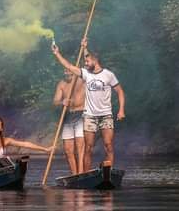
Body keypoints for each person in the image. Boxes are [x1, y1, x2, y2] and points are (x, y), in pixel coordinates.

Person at [51, 37, 125, 171]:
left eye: (87, 61)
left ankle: (109, 170)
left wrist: (121, 110)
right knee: (88, 147)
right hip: (89, 116)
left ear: (95, 61)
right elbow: (68, 66)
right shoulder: (86, 74)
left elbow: (120, 92)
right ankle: (85, 174)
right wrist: (57, 53)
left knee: (108, 144)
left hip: (106, 115)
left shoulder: (109, 75)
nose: (85, 63)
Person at [53, 68, 87, 174]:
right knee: (68, 150)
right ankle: (74, 174)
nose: (66, 72)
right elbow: (55, 101)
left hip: (81, 115)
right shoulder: (61, 84)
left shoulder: (82, 81)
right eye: (65, 70)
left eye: (69, 70)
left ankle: (81, 173)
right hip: (67, 117)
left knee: (80, 148)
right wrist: (62, 102)